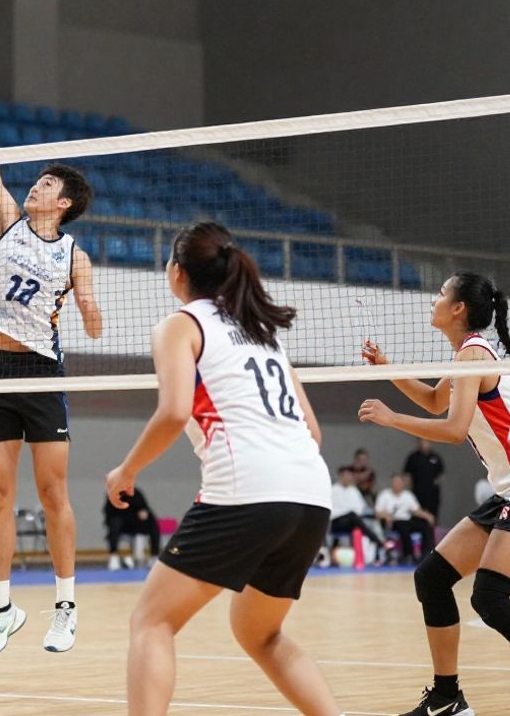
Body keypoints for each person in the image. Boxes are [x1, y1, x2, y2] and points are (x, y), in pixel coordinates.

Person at [104, 223, 342, 716]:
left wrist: (126, 470)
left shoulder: (181, 325)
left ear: (177, 272)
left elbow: (173, 412)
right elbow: (313, 433)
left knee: (152, 621)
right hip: (312, 495)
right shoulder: (263, 332)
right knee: (261, 633)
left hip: (247, 491)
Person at [360, 272, 510, 716]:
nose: (434, 298)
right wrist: (387, 369)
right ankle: (446, 699)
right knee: (431, 578)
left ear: (458, 308)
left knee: (489, 597)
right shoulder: (464, 355)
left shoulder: (473, 353)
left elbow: (454, 430)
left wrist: (392, 419)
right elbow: (436, 402)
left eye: (441, 293)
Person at [0, 36, 103, 660]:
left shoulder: (75, 255)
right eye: (36, 180)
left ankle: (65, 606)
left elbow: (94, 325)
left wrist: (89, 310)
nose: (35, 186)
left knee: (53, 493)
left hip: (41, 373)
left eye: (46, 183)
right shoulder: (4, 218)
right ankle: (1, 610)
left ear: (64, 203)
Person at [374, 473, 435, 565]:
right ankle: (408, 554)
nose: (397, 484)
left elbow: (416, 510)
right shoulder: (384, 495)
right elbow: (377, 513)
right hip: (392, 522)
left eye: (399, 482)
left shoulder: (408, 495)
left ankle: (426, 554)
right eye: (395, 482)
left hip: (407, 521)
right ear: (391, 483)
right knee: (403, 526)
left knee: (425, 526)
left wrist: (428, 516)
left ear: (403, 484)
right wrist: (386, 516)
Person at [329, 466, 390, 557]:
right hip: (338, 522)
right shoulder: (333, 490)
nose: (348, 478)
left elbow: (362, 509)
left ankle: (378, 552)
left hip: (354, 521)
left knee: (372, 521)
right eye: (346, 476)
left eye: (350, 476)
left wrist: (375, 514)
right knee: (353, 516)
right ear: (341, 477)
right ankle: (378, 542)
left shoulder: (354, 490)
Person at [102, 485, 161, 570]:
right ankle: (113, 555)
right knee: (115, 525)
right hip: (121, 524)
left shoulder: (136, 493)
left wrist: (144, 511)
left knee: (153, 525)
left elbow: (144, 508)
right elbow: (109, 513)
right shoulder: (113, 494)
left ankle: (154, 555)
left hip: (137, 525)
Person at [403, 438, 445, 520]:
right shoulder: (413, 458)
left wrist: (437, 486)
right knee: (417, 516)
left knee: (433, 516)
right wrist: (408, 491)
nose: (424, 444)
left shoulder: (436, 457)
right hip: (417, 493)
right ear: (418, 442)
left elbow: (441, 476)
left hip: (433, 494)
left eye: (427, 441)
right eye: (422, 441)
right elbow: (407, 476)